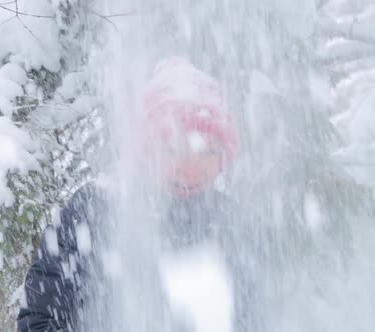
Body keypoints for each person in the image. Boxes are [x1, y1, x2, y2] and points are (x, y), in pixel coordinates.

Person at [17, 57, 257, 332]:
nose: (190, 168)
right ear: (145, 151)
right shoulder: (95, 208)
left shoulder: (233, 224)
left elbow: (258, 315)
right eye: (172, 149)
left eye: (207, 152)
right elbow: (40, 314)